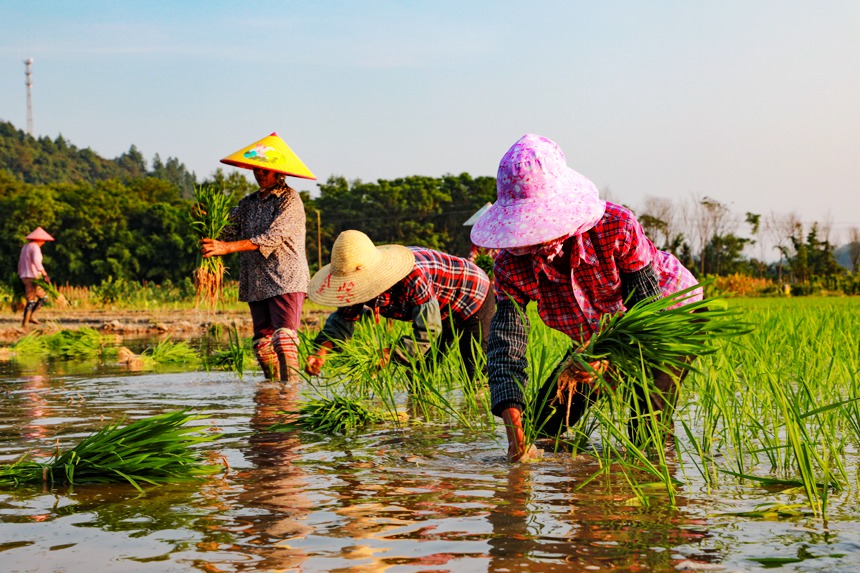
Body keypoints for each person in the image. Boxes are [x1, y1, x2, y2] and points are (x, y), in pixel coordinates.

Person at [470, 134, 702, 462]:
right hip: (600, 331)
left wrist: (604, 357)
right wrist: (514, 427)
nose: (534, 241)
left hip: (669, 313)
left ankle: (655, 497)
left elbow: (647, 314)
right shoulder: (511, 264)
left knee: (645, 426)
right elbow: (506, 350)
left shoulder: (616, 226)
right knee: (541, 426)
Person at [304, 230, 494, 381]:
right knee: (420, 374)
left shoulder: (412, 276)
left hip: (471, 295)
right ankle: (423, 423)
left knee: (474, 372)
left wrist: (390, 353)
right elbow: (343, 319)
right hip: (437, 308)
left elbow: (428, 330)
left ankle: (477, 420)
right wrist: (320, 353)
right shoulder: (355, 286)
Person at [202, 132, 314, 383]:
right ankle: (271, 395)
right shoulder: (248, 203)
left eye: (265, 170)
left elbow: (273, 237)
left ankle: (289, 396)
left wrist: (227, 248)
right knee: (262, 345)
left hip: (285, 277)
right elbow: (226, 230)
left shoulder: (290, 200)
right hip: (256, 280)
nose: (259, 174)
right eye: (256, 170)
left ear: (278, 173)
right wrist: (207, 221)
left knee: (284, 338)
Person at [17, 227, 54, 328]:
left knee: (43, 297)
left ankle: (31, 317)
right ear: (38, 239)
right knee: (31, 300)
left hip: (24, 276)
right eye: (43, 240)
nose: (43, 243)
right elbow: (37, 262)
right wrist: (45, 274)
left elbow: (20, 262)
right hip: (32, 276)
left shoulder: (25, 247)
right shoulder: (35, 248)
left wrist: (19, 274)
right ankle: (24, 324)